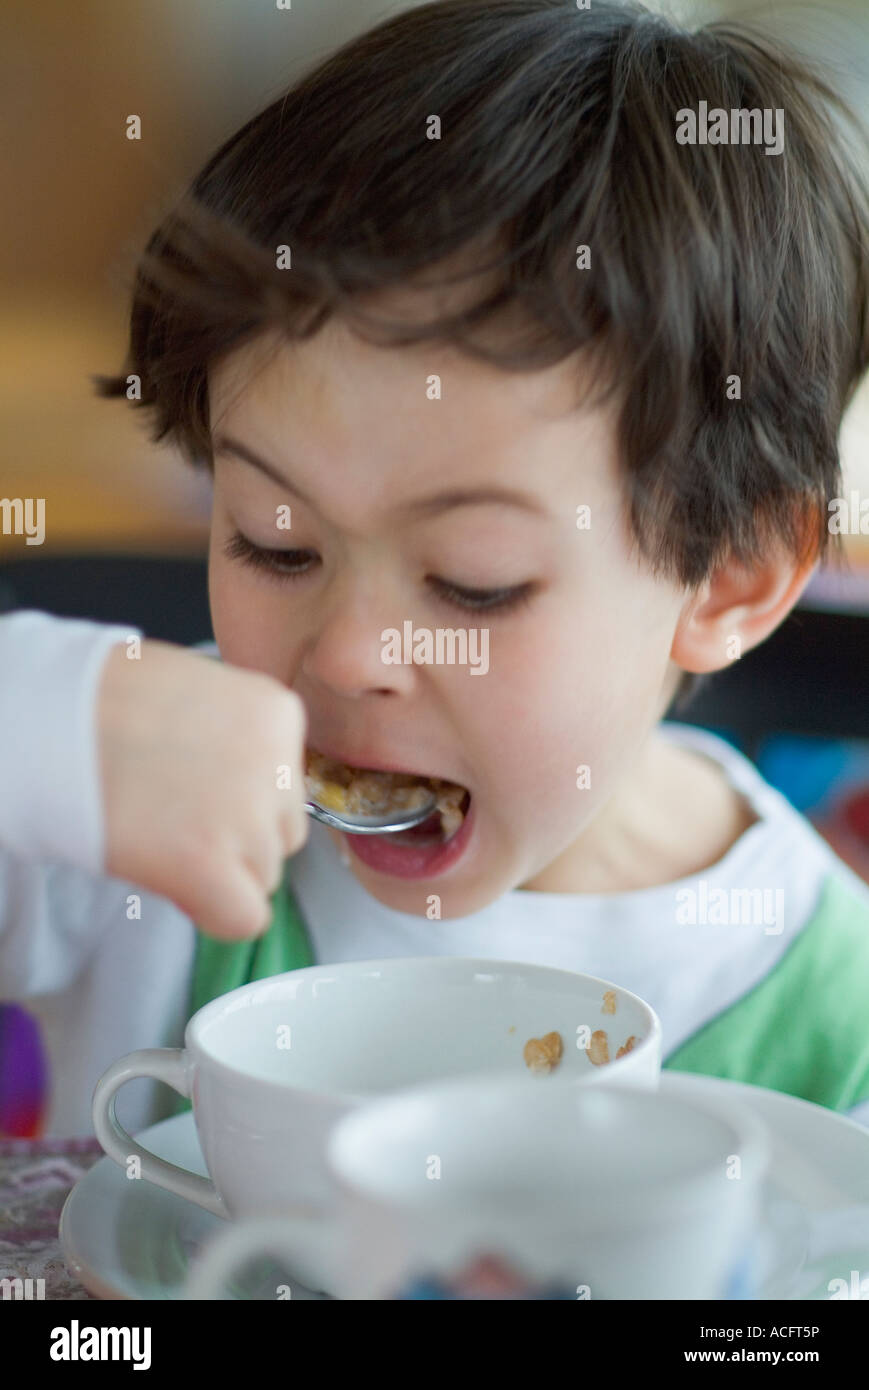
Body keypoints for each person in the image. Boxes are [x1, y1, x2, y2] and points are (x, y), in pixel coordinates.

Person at [2, 0, 869, 1139]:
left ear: (730, 578)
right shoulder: (119, 824)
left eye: (472, 580)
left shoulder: (825, 1015)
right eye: (274, 539)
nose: (355, 653)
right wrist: (45, 726)